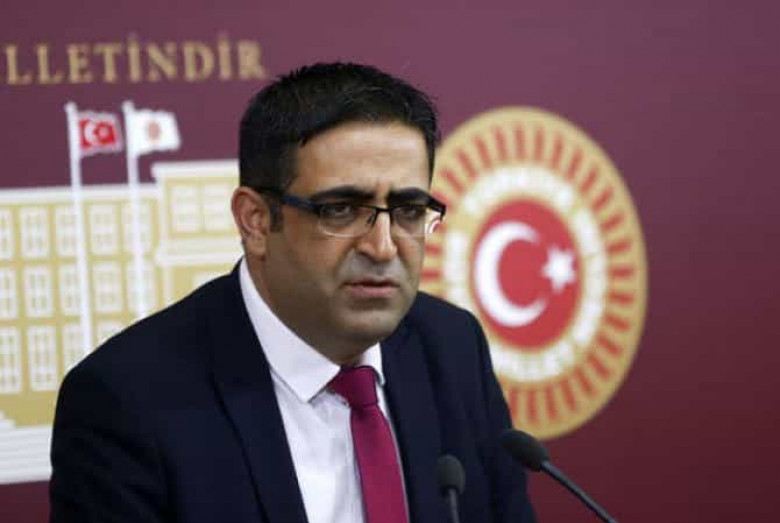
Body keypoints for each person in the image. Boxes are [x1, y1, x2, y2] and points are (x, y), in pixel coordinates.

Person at [49, 62, 536, 523]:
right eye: (341, 210)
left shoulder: (451, 346)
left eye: (408, 211)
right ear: (256, 221)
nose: (384, 247)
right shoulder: (128, 400)